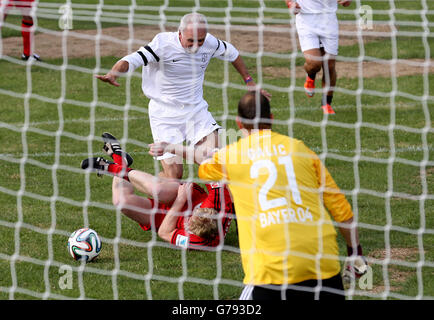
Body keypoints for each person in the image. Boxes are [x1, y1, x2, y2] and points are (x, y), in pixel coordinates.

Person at [198, 91, 367, 300]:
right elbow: (340, 208)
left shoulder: (232, 156)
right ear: (272, 119)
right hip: (321, 261)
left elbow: (204, 167)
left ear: (238, 123)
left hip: (271, 269)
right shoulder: (300, 149)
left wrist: (173, 148)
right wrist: (355, 254)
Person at [95, 12, 271, 180]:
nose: (196, 45)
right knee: (173, 177)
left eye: (200, 41)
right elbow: (132, 60)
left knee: (214, 161)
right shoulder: (162, 44)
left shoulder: (210, 43)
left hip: (196, 111)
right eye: (191, 40)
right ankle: (121, 168)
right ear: (180, 33)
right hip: (164, 115)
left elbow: (232, 53)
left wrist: (249, 81)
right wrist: (113, 73)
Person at [80, 132, 234, 250]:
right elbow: (206, 160)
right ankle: (111, 168)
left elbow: (164, 233)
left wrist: (179, 203)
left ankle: (121, 160)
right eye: (196, 212)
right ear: (207, 209)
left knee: (121, 202)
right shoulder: (219, 200)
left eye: (190, 221)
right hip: (184, 194)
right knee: (158, 190)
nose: (190, 216)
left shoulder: (198, 242)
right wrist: (171, 148)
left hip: (169, 217)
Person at [285, 0, 352, 114]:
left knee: (329, 65)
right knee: (314, 64)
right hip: (306, 20)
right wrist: (290, 3)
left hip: (329, 21)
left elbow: (346, 3)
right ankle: (310, 77)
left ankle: (326, 103)